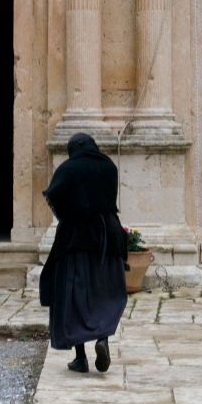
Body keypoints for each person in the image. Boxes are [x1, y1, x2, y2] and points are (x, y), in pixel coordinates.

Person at [40, 133, 128, 373]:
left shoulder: (68, 169)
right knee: (105, 290)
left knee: (74, 294)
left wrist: (69, 212)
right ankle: (103, 339)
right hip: (107, 235)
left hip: (76, 237)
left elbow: (54, 196)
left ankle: (81, 357)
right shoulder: (108, 166)